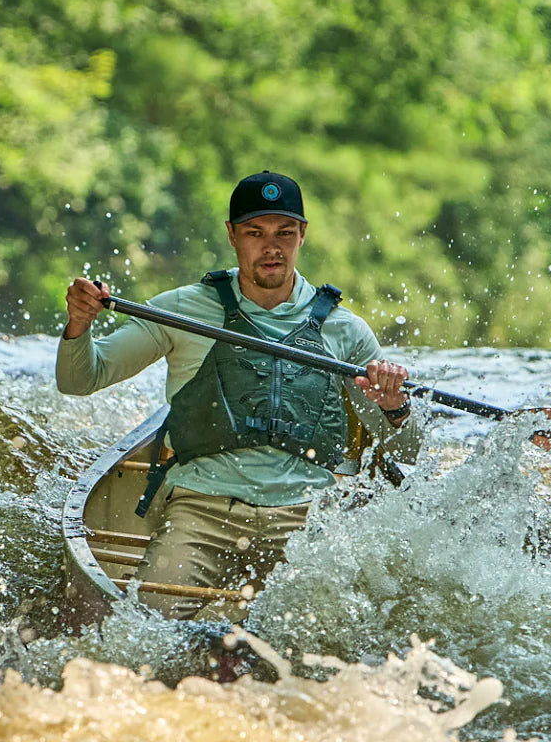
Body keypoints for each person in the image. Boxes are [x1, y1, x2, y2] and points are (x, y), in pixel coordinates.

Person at [57, 170, 421, 620]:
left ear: (302, 235)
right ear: (232, 235)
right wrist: (79, 323)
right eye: (255, 232)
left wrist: (395, 407)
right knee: (147, 625)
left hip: (307, 518)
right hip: (201, 510)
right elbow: (80, 379)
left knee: (331, 628)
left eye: (284, 232)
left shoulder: (346, 331)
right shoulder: (182, 309)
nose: (272, 247)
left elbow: (407, 453)